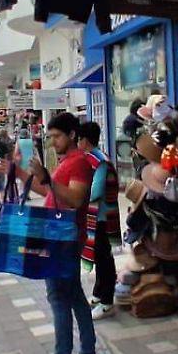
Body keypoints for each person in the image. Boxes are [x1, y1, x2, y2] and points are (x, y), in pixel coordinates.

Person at [26, 113, 101, 354]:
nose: (53, 141)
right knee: (74, 297)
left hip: (63, 239)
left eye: (57, 136)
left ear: (71, 135)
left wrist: (47, 177)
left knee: (59, 299)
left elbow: (76, 199)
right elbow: (51, 193)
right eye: (50, 137)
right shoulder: (67, 162)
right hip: (58, 236)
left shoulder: (79, 161)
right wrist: (24, 174)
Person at [77, 122, 120, 320]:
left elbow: (96, 191)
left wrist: (77, 194)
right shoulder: (91, 159)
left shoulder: (100, 161)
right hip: (94, 217)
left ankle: (107, 302)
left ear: (85, 140)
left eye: (79, 139)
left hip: (101, 219)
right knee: (98, 257)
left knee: (104, 260)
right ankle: (98, 294)